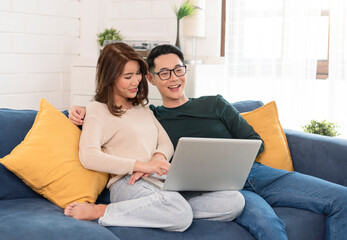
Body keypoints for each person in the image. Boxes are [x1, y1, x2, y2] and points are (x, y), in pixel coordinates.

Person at [69, 44, 347, 240]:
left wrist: (157, 159)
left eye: (178, 69)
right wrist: (78, 110)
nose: (173, 77)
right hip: (162, 184)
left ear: (186, 71)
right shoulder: (145, 111)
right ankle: (110, 212)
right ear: (153, 80)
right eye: (163, 73)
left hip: (246, 174)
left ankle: (168, 211)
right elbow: (98, 139)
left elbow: (251, 142)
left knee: (238, 202)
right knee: (256, 223)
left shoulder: (205, 104)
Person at [65, 42, 245, 232]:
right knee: (179, 213)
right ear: (110, 79)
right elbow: (89, 156)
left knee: (234, 201)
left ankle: (162, 210)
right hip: (128, 182)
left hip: (159, 179)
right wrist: (142, 166)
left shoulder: (140, 107)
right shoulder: (97, 110)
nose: (136, 81)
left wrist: (155, 160)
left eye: (137, 73)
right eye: (128, 76)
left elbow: (165, 142)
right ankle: (103, 211)